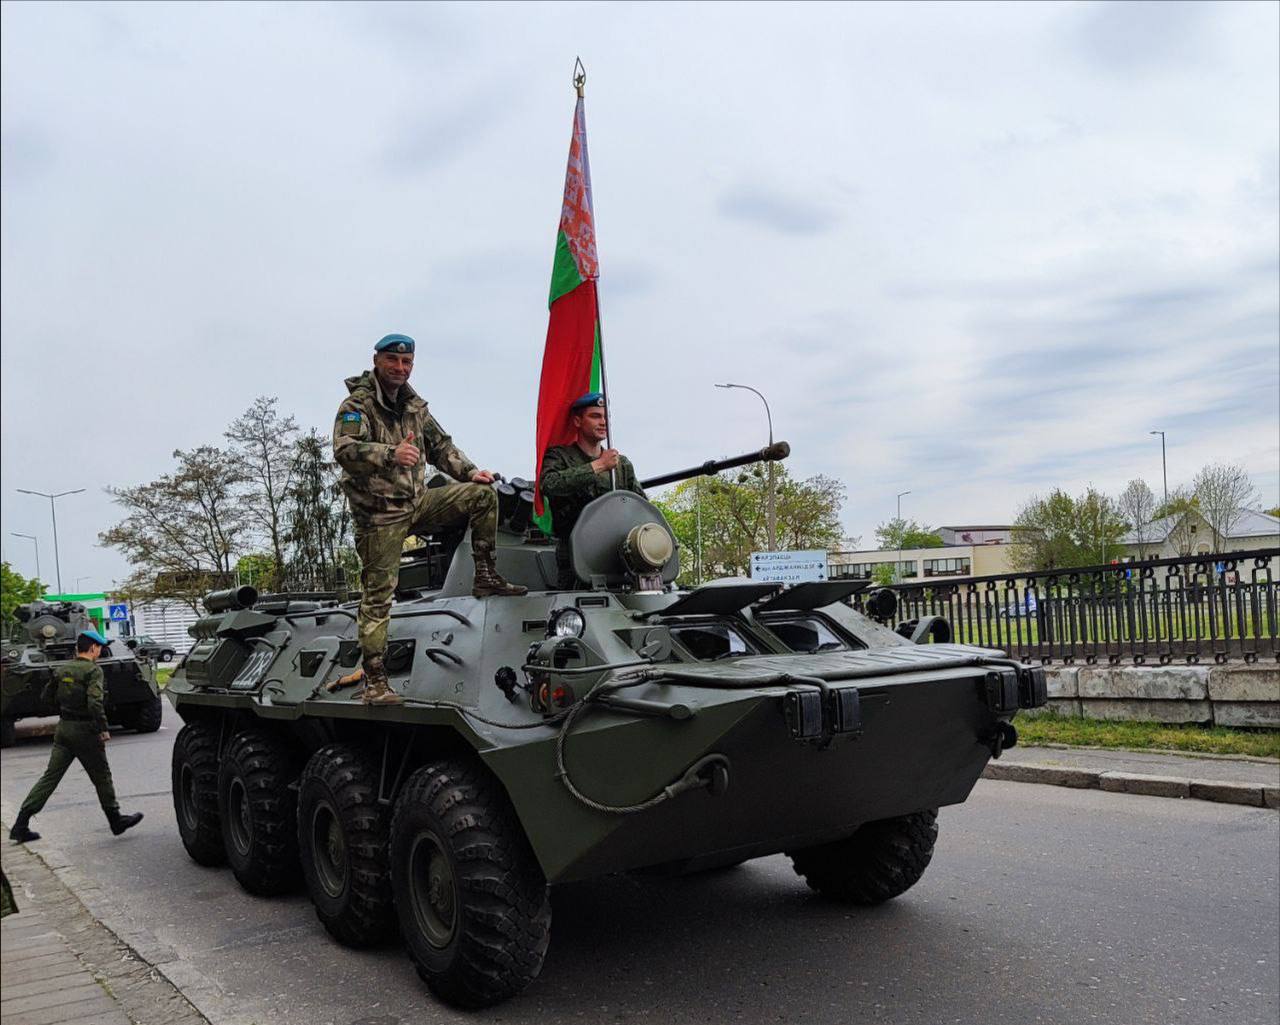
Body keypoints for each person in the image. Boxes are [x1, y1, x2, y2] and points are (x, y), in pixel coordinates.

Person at [333, 333, 526, 706]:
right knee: (378, 597)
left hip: (418, 503)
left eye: (407, 363)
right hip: (380, 517)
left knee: (482, 495)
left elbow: (441, 446)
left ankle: (485, 576)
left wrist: (470, 472)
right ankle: (375, 680)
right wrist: (391, 454)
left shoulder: (414, 408)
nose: (400, 369)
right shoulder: (356, 405)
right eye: (393, 361)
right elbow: (345, 450)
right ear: (377, 360)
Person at [9, 629, 144, 844]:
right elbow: (95, 702)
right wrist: (102, 728)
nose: (100, 651)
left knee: (50, 777)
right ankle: (115, 820)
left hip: (64, 729)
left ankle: (21, 823)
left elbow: (47, 697)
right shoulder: (93, 671)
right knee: (102, 776)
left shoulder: (62, 669)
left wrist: (65, 710)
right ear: (92, 648)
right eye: (99, 647)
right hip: (86, 731)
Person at [538, 392, 646, 589]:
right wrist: (598, 466)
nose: (603, 422)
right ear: (578, 421)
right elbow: (549, 485)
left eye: (606, 417)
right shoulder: (560, 456)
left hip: (619, 558)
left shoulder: (621, 465)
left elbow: (640, 507)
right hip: (576, 556)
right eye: (595, 416)